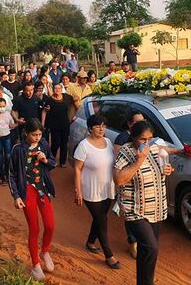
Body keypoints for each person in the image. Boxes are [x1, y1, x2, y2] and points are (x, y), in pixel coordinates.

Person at [113, 121, 174, 285]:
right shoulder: (125, 152)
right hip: (134, 209)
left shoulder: (155, 149)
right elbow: (118, 179)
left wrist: (166, 170)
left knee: (147, 250)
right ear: (133, 137)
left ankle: (143, 281)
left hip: (155, 207)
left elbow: (161, 169)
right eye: (142, 139)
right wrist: (139, 161)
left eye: (150, 139)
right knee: (151, 247)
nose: (147, 143)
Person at [9, 119, 56, 281]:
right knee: (34, 229)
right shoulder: (18, 149)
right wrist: (16, 196)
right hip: (27, 191)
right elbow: (12, 174)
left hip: (42, 189)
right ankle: (35, 265)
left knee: (50, 225)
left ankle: (45, 251)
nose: (37, 137)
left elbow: (52, 163)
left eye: (39, 134)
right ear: (26, 134)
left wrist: (45, 160)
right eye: (34, 134)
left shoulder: (43, 144)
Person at [73, 115, 121, 269]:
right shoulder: (84, 146)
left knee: (100, 217)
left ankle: (90, 241)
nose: (101, 129)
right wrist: (78, 192)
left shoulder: (108, 142)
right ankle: (109, 255)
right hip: (90, 190)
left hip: (107, 188)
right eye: (97, 126)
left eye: (103, 126)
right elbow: (77, 169)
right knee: (102, 220)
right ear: (90, 128)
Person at [113, 110, 145, 259]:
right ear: (129, 123)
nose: (141, 123)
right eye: (137, 121)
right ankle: (132, 243)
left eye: (142, 120)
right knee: (130, 214)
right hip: (128, 181)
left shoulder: (143, 137)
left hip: (141, 181)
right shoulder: (122, 138)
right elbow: (118, 161)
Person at [41, 83, 74, 167]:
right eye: (55, 88)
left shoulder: (66, 97)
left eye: (59, 88)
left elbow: (75, 100)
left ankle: (62, 162)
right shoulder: (49, 99)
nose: (57, 90)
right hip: (54, 125)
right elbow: (44, 111)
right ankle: (52, 159)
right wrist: (42, 123)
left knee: (64, 143)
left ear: (61, 89)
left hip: (65, 124)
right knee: (56, 142)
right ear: (53, 89)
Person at [0, 98, 18, 185]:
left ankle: (8, 174)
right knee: (0, 156)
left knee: (8, 156)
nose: (2, 108)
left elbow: (11, 125)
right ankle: (2, 177)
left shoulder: (8, 114)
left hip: (7, 137)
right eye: (0, 106)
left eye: (3, 106)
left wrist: (18, 123)